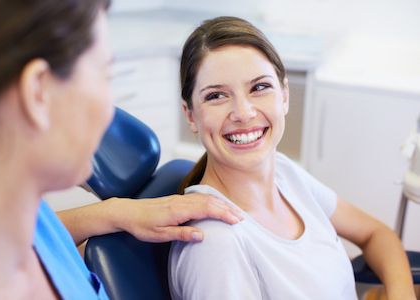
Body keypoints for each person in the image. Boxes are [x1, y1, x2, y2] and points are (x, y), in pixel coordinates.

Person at [0, 1, 243, 299]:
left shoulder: (26, 216)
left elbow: (46, 231)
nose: (109, 112)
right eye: (104, 76)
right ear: (38, 93)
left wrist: (114, 212)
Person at [169, 16, 416, 300]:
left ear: (284, 95)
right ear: (190, 115)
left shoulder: (285, 174)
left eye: (259, 87)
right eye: (216, 96)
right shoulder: (215, 246)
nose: (243, 112)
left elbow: (376, 233)